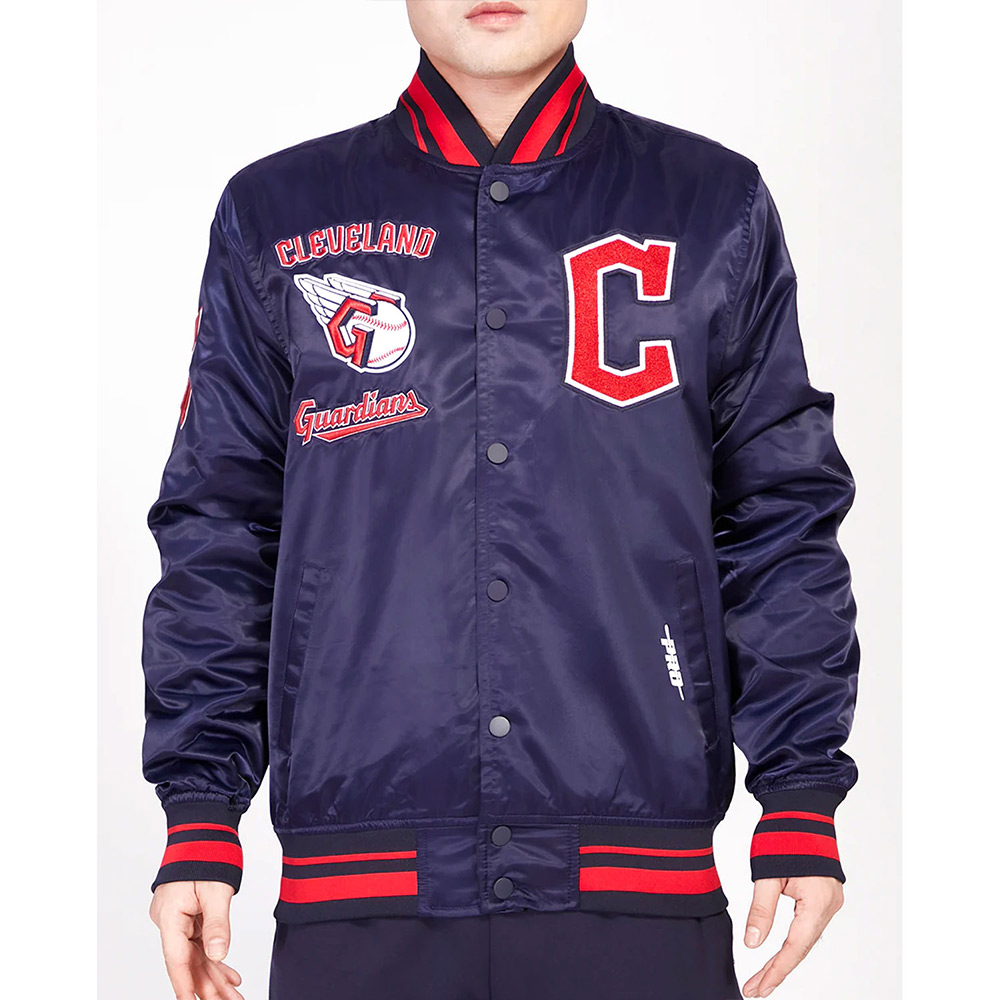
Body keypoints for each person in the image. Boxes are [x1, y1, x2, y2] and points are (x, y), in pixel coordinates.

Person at [141, 2, 860, 998]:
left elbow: (780, 516)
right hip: (360, 886)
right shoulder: (279, 214)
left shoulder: (709, 205)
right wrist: (199, 810)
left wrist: (800, 788)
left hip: (637, 878)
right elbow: (220, 525)